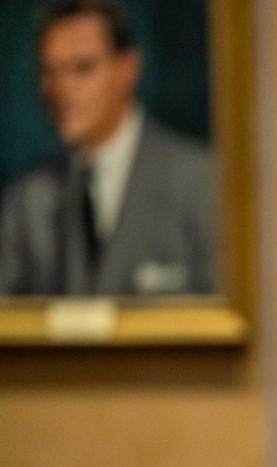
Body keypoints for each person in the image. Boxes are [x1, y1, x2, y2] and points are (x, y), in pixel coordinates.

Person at [0, 0, 216, 296]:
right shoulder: (27, 201)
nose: (63, 88)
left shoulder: (200, 183)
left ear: (127, 69)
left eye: (82, 68)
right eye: (51, 71)